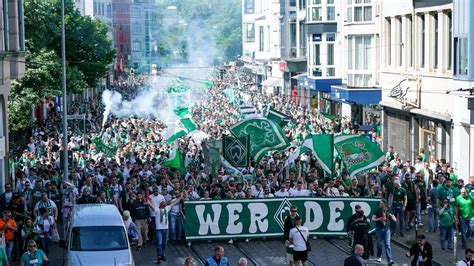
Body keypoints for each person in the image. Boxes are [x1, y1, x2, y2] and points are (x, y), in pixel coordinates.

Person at [153, 194, 181, 264]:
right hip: (159, 229)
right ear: (160, 204)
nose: (164, 202)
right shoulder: (157, 210)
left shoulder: (167, 208)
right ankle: (159, 256)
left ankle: (163, 254)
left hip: (166, 229)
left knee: (164, 243)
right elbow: (151, 205)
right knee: (159, 243)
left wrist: (180, 197)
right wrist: (147, 200)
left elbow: (174, 203)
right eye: (163, 202)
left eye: (164, 202)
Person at [372, 199, 396, 265]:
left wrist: (391, 216)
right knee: (379, 243)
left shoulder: (389, 210)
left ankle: (390, 259)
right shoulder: (377, 210)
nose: (379, 204)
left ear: (384, 204)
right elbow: (373, 219)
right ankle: (379, 256)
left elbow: (395, 220)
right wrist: (379, 219)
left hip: (386, 229)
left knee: (387, 244)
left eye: (381, 203)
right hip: (379, 228)